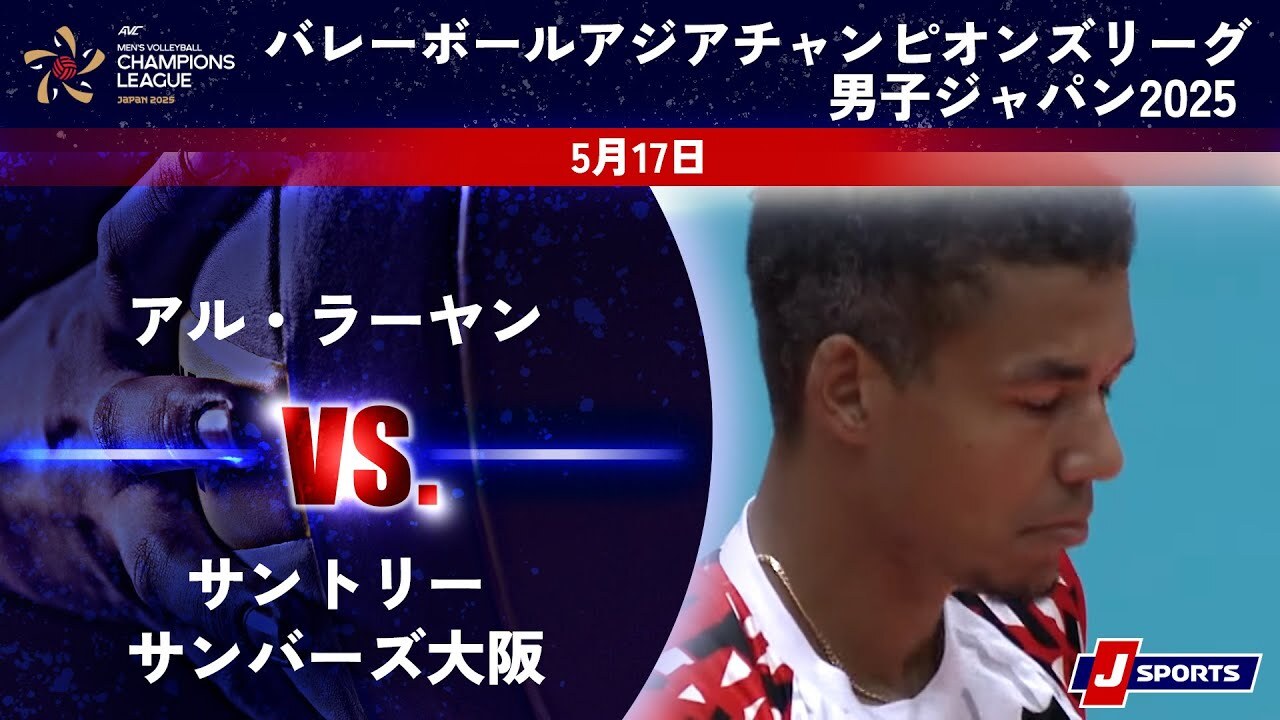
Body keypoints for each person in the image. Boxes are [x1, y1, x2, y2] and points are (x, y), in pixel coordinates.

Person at [635, 187, 1137, 719]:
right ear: (849, 393)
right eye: (1041, 401)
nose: (1105, 456)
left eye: (1104, 387)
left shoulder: (1030, 605)